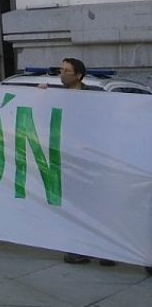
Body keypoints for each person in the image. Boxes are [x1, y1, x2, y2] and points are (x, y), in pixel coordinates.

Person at [57, 58, 116, 266]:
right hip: (70, 163)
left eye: (66, 70)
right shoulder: (56, 96)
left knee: (99, 207)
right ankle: (79, 249)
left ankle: (108, 251)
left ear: (79, 75)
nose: (62, 73)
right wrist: (38, 97)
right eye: (61, 69)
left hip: (94, 162)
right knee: (76, 208)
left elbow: (109, 121)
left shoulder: (95, 95)